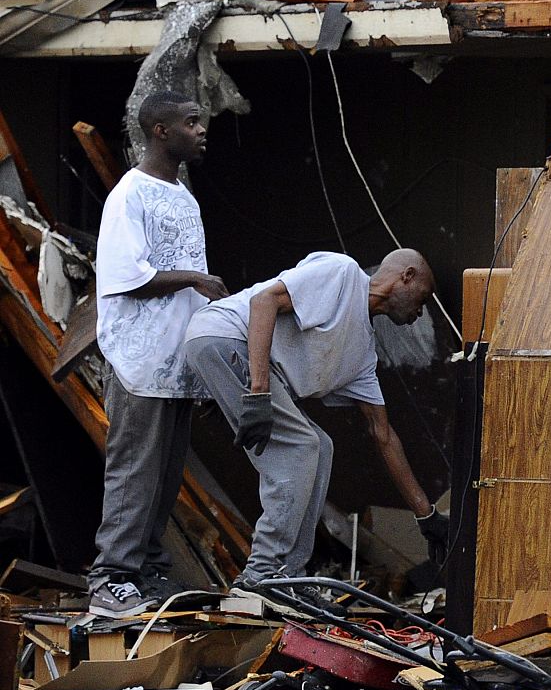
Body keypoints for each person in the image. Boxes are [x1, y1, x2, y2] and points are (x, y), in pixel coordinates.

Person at [182, 248, 447, 612]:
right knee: (301, 446)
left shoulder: (361, 355)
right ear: (407, 276)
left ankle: (289, 577)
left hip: (244, 357)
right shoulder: (342, 274)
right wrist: (258, 392)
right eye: (423, 297)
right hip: (224, 335)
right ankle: (260, 575)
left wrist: (426, 515)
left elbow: (383, 434)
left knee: (320, 446)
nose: (421, 310)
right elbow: (264, 300)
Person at [89, 91, 228, 619]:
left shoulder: (184, 196)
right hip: (139, 362)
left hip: (177, 365)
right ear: (160, 131)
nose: (201, 130)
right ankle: (110, 578)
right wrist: (195, 278)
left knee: (165, 479)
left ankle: (144, 573)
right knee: (134, 474)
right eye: (191, 122)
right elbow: (128, 278)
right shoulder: (130, 194)